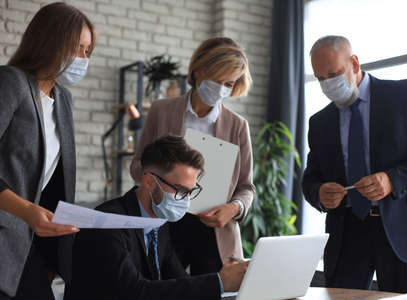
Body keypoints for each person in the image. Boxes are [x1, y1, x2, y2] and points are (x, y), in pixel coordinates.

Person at [302, 35, 407, 296]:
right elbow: (310, 179)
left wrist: (393, 179)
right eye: (320, 78)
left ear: (355, 63)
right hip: (347, 234)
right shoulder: (319, 122)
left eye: (333, 74)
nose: (328, 84)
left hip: (404, 230)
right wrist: (320, 192)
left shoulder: (405, 95)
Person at [66, 135, 249, 300]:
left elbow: (178, 280)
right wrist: (219, 283)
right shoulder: (107, 223)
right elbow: (135, 292)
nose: (186, 200)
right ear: (150, 181)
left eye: (191, 192)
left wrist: (224, 281)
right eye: (180, 190)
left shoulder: (158, 224)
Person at [130, 37, 255, 275]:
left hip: (214, 231)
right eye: (217, 80)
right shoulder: (161, 110)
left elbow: (246, 187)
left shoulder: (238, 126)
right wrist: (157, 177)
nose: (222, 88)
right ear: (198, 72)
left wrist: (234, 208)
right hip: (165, 224)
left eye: (229, 83)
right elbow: (137, 166)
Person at [0, 3, 95, 299]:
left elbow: (54, 182)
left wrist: (57, 253)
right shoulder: (11, 81)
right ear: (49, 41)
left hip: (33, 245)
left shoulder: (64, 99)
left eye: (87, 51)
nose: (83, 58)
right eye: (77, 48)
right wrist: (27, 212)